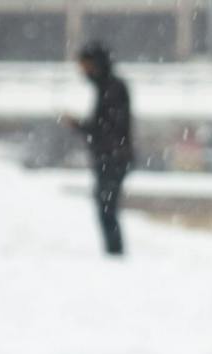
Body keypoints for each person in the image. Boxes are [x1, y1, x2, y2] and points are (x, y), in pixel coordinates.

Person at [59, 42, 133, 257]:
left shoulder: (112, 88)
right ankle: (114, 253)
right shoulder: (107, 87)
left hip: (112, 157)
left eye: (83, 65)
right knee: (106, 207)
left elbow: (106, 127)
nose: (81, 71)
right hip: (111, 156)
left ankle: (115, 253)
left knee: (106, 207)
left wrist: (79, 125)